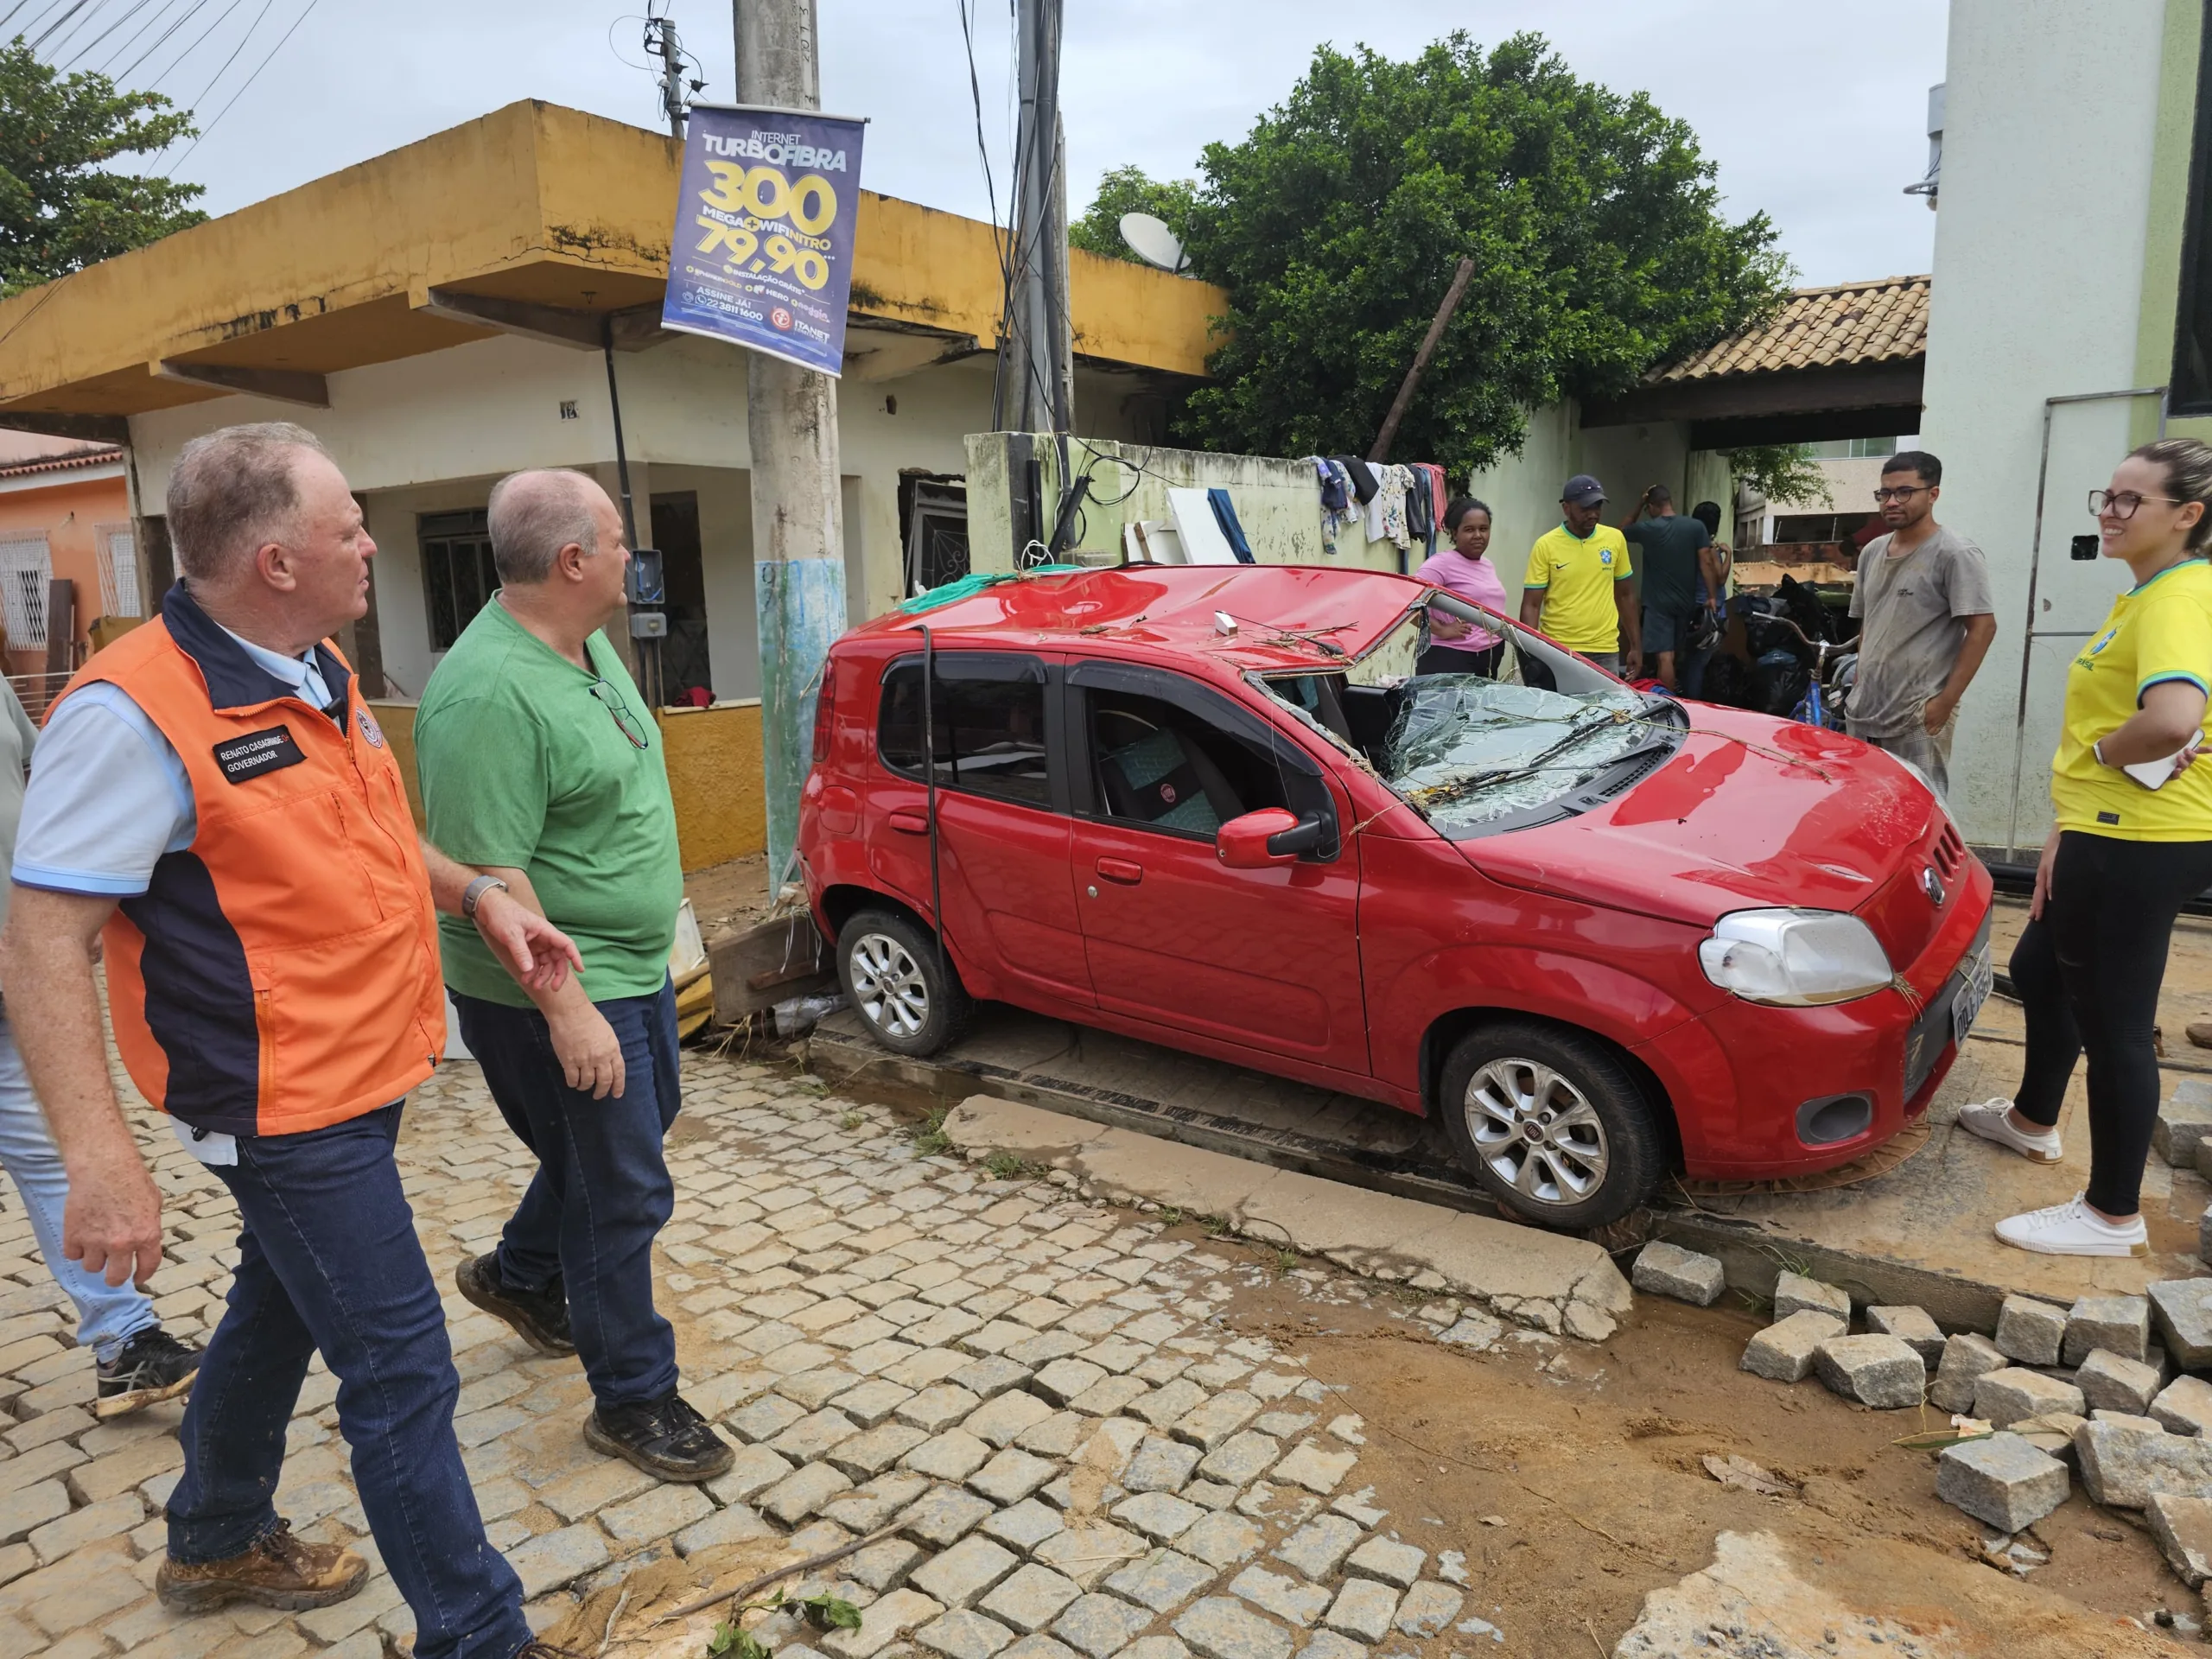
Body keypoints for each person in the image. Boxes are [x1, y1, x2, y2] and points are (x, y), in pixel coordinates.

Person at [0, 422, 580, 1658]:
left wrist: (478, 896)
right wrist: (98, 1162)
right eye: (348, 525)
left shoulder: (312, 665)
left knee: (283, 1303)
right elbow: (39, 943)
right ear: (274, 558)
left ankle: (214, 1534)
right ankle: (481, 1636)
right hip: (278, 1106)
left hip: (364, 1073)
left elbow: (364, 840)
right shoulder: (130, 714)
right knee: (403, 1371)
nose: (372, 544)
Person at [415, 469, 729, 1484]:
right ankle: (633, 1398)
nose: (632, 554)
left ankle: (522, 1273)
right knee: (622, 1187)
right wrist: (571, 1013)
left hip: (630, 968)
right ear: (572, 562)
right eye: (619, 538)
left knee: (621, 1144)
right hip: (546, 990)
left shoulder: (584, 639)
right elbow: (494, 881)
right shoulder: (487, 695)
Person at [1957, 439, 2212, 1256]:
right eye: (2107, 494)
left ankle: (2110, 1213)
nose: (2110, 510)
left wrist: (2105, 755)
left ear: (2188, 515)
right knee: (2035, 970)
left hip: (2136, 839)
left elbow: (2173, 718)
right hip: (2101, 829)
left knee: (2118, 1028)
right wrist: (2065, 827)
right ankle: (2035, 1120)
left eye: (2132, 500)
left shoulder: (2178, 596)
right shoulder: (2151, 593)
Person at [0, 681, 204, 1418]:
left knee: (58, 1160)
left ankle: (125, 1341)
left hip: (15, 976)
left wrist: (63, 919)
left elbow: (36, 781)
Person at [1841, 450, 1997, 796]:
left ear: (1933, 494)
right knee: (1863, 808)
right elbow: (1870, 623)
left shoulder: (1954, 553)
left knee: (1919, 811)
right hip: (1865, 711)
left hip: (1917, 714)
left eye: (1904, 492)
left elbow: (1983, 628)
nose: (1891, 502)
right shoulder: (1871, 552)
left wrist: (1943, 703)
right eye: (1885, 493)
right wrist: (1858, 685)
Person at [1519, 474, 1640, 677]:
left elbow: (1626, 595)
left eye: (1598, 507)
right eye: (1585, 508)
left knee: (1605, 709)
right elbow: (1531, 605)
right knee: (1562, 709)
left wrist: (1636, 646)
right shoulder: (1546, 545)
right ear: (1566, 508)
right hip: (1558, 650)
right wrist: (1530, 654)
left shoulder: (1615, 539)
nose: (1593, 514)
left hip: (1605, 650)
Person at [1620, 484, 1725, 692]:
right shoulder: (1696, 527)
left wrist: (1639, 504)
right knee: (1676, 656)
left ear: (1652, 507)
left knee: (1664, 657)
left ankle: (1668, 702)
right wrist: (1712, 596)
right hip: (1685, 602)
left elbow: (1619, 533)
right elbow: (1706, 562)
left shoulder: (1648, 529)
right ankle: (1678, 696)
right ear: (1670, 502)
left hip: (1658, 604)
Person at [1414, 497, 1509, 676]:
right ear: (1454, 532)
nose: (1478, 536)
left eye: (1484, 529)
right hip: (1451, 657)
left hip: (1488, 656)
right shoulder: (1440, 564)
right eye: (1469, 530)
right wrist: (1442, 630)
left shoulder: (1487, 564)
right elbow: (1408, 603)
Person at [1680, 500, 1734, 698]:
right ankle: (1693, 704)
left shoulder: (1688, 545)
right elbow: (1720, 578)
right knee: (1698, 664)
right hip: (1710, 614)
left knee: (1689, 662)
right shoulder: (1709, 548)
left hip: (1691, 611)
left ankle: (1687, 699)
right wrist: (1728, 554)